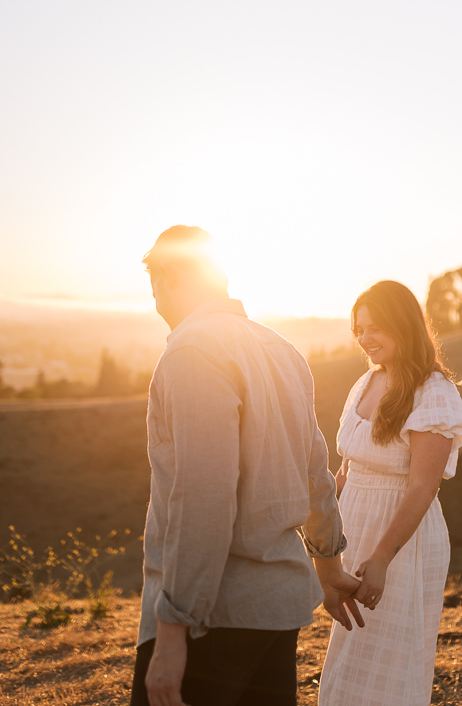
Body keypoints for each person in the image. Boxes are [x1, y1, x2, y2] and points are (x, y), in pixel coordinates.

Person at [131, 225, 363, 706]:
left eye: (153, 280)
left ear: (171, 277)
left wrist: (172, 629)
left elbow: (203, 499)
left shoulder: (192, 351)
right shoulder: (281, 351)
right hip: (276, 615)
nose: (153, 296)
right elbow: (314, 471)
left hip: (212, 619)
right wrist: (329, 563)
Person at [318, 280, 462, 706]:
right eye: (358, 330)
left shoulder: (433, 392)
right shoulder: (365, 383)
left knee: (391, 659)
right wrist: (322, 538)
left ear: (403, 326)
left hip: (401, 540)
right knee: (348, 657)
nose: (365, 339)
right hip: (353, 531)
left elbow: (423, 487)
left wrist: (383, 556)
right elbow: (347, 467)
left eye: (375, 328)